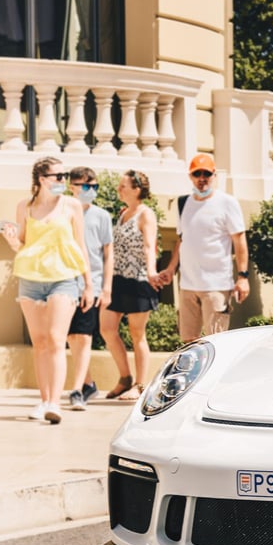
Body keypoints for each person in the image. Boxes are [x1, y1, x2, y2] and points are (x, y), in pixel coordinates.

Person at [0, 155, 94, 424]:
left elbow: (81, 246)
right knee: (39, 344)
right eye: (59, 176)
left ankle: (55, 403)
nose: (64, 181)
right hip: (30, 279)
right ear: (42, 179)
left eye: (64, 176)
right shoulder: (25, 207)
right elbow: (24, 244)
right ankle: (43, 401)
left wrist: (88, 284)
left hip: (63, 278)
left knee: (55, 339)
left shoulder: (72, 206)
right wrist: (12, 240)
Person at [155, 153, 249, 342]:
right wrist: (171, 269)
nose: (202, 179)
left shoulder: (227, 203)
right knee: (188, 343)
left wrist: (243, 277)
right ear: (190, 176)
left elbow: (240, 241)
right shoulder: (183, 204)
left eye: (206, 174)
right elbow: (182, 240)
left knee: (216, 342)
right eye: (197, 174)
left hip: (216, 285)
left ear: (214, 175)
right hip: (188, 286)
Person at [101, 170, 160, 400]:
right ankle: (125, 378)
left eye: (123, 186)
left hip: (138, 280)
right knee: (107, 328)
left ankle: (140, 384)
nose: (119, 189)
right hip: (117, 279)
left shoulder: (146, 214)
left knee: (137, 334)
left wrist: (152, 271)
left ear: (137, 189)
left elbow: (149, 246)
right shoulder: (124, 213)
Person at [66, 166, 114, 410]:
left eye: (94, 187)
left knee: (84, 337)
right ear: (72, 186)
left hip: (91, 285)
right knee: (72, 338)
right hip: (64, 283)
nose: (91, 191)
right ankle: (89, 384)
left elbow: (108, 253)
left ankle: (77, 391)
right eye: (86, 186)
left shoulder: (102, 216)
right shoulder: (62, 212)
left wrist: (106, 287)